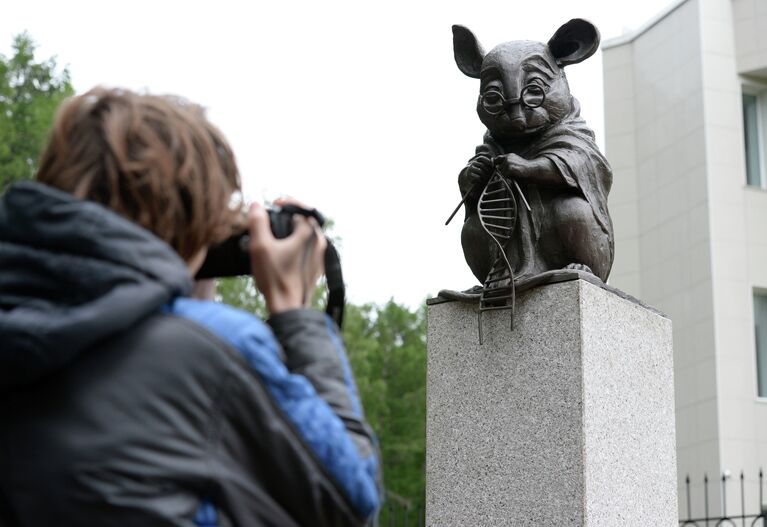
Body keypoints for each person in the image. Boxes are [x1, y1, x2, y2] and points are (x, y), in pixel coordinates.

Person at [0, 87, 381, 526]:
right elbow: (349, 502)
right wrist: (295, 312)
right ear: (192, 220)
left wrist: (181, 289)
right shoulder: (215, 349)